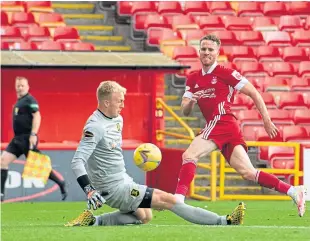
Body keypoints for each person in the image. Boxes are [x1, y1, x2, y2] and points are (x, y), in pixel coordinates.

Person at [65, 80, 246, 227]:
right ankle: (224, 221)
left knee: (145, 215)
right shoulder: (95, 127)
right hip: (113, 188)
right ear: (106, 102)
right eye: (119, 101)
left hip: (122, 180)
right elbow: (77, 162)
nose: (123, 104)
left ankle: (94, 221)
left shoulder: (117, 118)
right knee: (169, 200)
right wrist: (89, 191)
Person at [174, 34, 307, 217]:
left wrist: (266, 120)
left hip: (222, 121)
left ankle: (178, 200)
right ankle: (293, 191)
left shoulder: (226, 73)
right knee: (248, 172)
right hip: (225, 127)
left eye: (210, 49)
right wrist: (190, 103)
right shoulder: (193, 78)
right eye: (203, 49)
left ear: (217, 53)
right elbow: (185, 110)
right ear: (199, 51)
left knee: (189, 155)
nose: (206, 52)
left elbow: (254, 93)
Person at [0, 76, 68, 202]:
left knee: (39, 167)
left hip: (27, 138)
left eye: (22, 86)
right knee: (2, 161)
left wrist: (33, 134)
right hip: (17, 139)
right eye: (18, 86)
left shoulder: (30, 100)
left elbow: (37, 116)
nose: (20, 88)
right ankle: (1, 195)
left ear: (27, 87)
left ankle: (60, 183)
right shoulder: (19, 102)